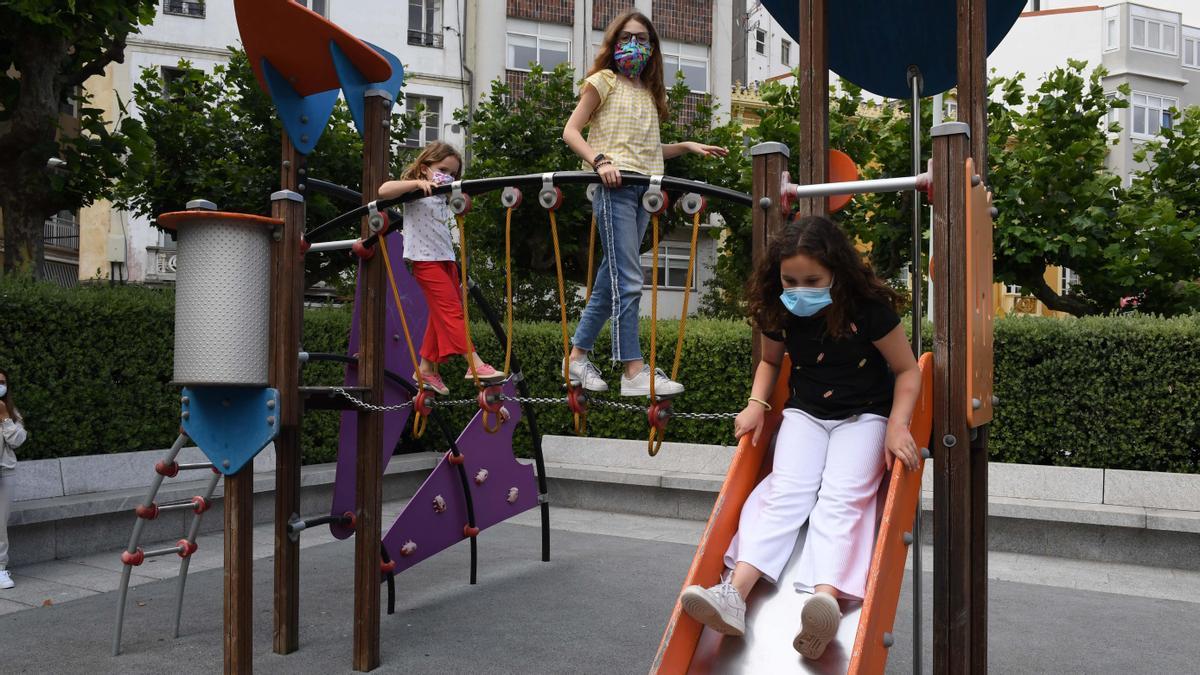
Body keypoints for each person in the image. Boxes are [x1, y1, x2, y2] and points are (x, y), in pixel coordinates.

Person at [678, 216, 922, 660]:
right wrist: (757, 403)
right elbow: (771, 362)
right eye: (791, 280)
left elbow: (908, 371)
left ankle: (824, 600)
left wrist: (897, 423)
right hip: (806, 413)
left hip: (864, 416)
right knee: (785, 491)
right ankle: (734, 594)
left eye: (812, 280)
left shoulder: (868, 310)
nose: (800, 289)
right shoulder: (780, 307)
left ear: (837, 273)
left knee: (842, 496)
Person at [560, 9, 728, 397]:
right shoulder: (603, 81)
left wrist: (685, 146)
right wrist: (599, 161)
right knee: (629, 281)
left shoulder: (650, 94)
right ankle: (633, 369)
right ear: (614, 44)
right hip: (614, 187)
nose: (633, 46)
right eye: (626, 39)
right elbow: (571, 130)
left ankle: (577, 358)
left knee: (610, 282)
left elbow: (647, 150)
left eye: (642, 40)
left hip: (643, 189)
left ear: (652, 50)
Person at [378, 141, 503, 395]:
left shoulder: (443, 196)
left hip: (445, 259)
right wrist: (415, 184)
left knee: (440, 314)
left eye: (453, 174)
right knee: (451, 312)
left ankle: (426, 369)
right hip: (424, 260)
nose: (448, 176)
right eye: (443, 169)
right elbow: (383, 190)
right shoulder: (415, 191)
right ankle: (474, 364)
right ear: (425, 168)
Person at [0, 368, 28, 590]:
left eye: (2, 382)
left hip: (4, 473)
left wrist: (5, 418)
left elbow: (18, 440)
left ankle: (0, 568)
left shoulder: (11, 412)